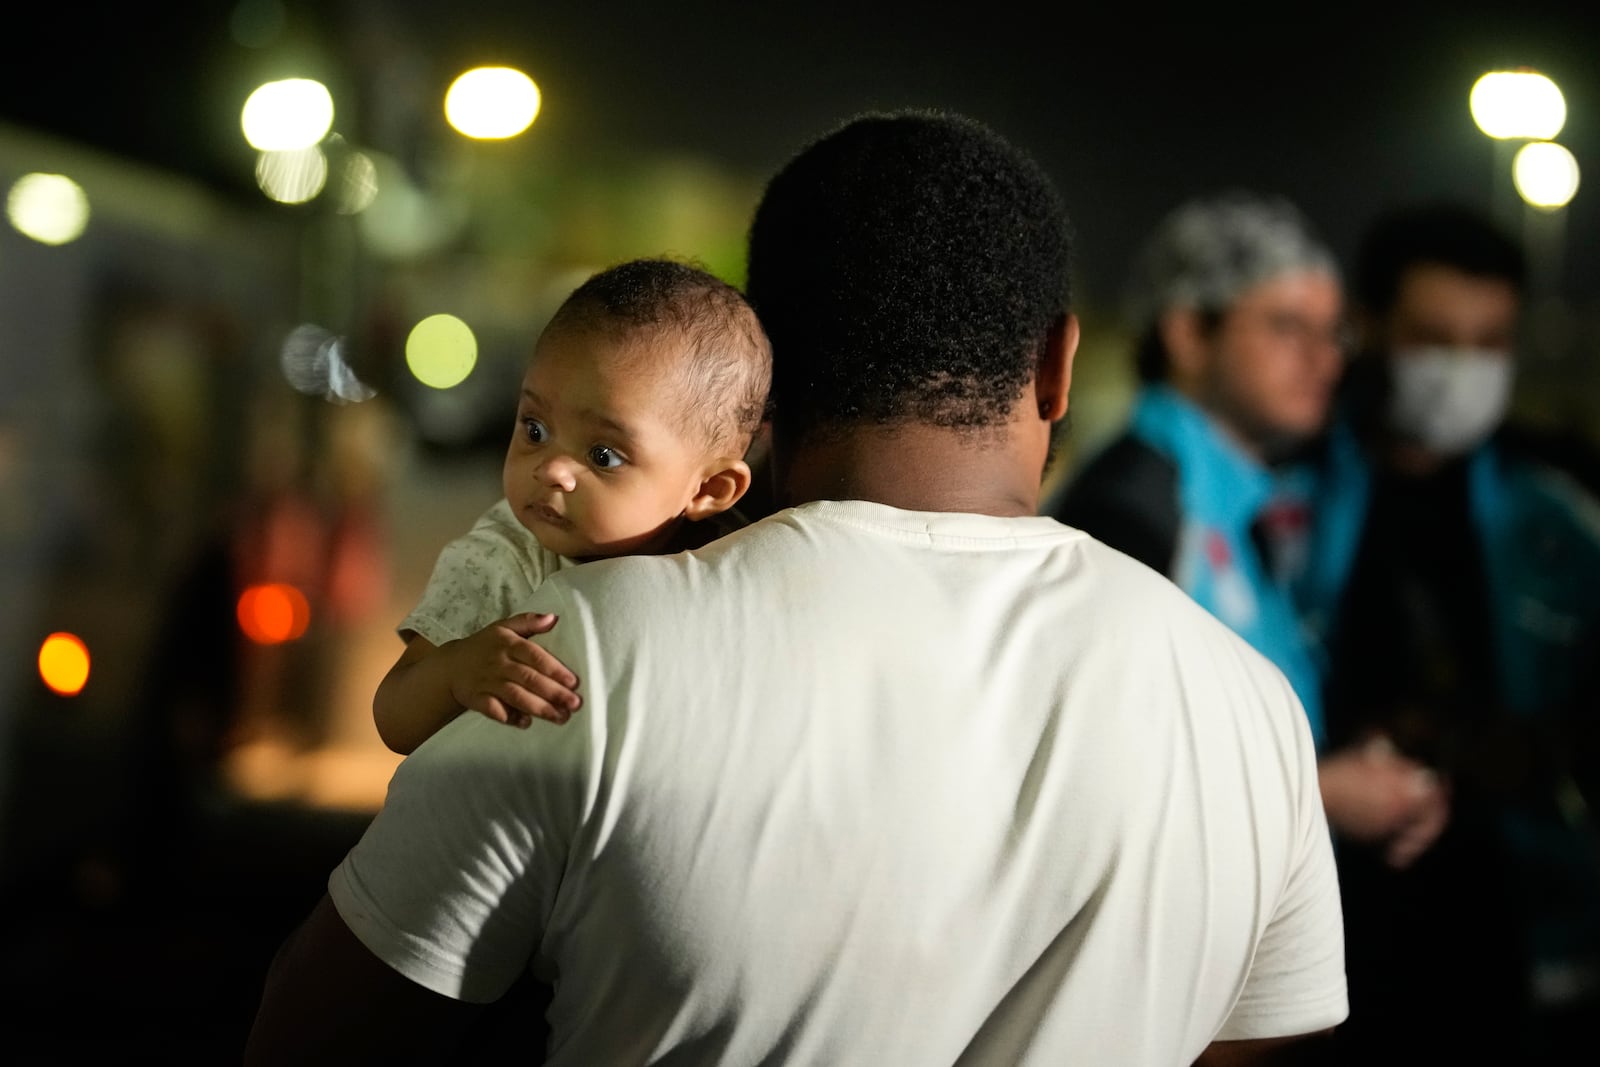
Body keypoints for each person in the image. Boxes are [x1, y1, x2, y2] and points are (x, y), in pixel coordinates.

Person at [246, 109, 1347, 1065]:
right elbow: (1261, 1034)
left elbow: (319, 1033)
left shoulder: (568, 656)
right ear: (1057, 366)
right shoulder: (1250, 704)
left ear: (763, 361)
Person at [1043, 192, 1449, 870]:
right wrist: (1317, 794)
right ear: (1187, 334)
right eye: (1289, 326)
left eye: (1334, 332)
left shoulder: (1243, 500)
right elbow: (1097, 775)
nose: (1326, 359)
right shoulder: (1132, 507)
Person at [1291, 200, 1600, 1063]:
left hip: (1522, 936)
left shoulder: (1556, 513)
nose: (1463, 367)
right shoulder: (1287, 494)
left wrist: (1515, 749)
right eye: (1435, 337)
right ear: (1371, 325)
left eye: (1490, 340)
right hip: (1335, 935)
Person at [371, 256, 772, 755]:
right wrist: (456, 671)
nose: (551, 469)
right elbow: (393, 716)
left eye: (603, 455)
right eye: (534, 429)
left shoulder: (735, 561)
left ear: (708, 490)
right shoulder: (506, 559)